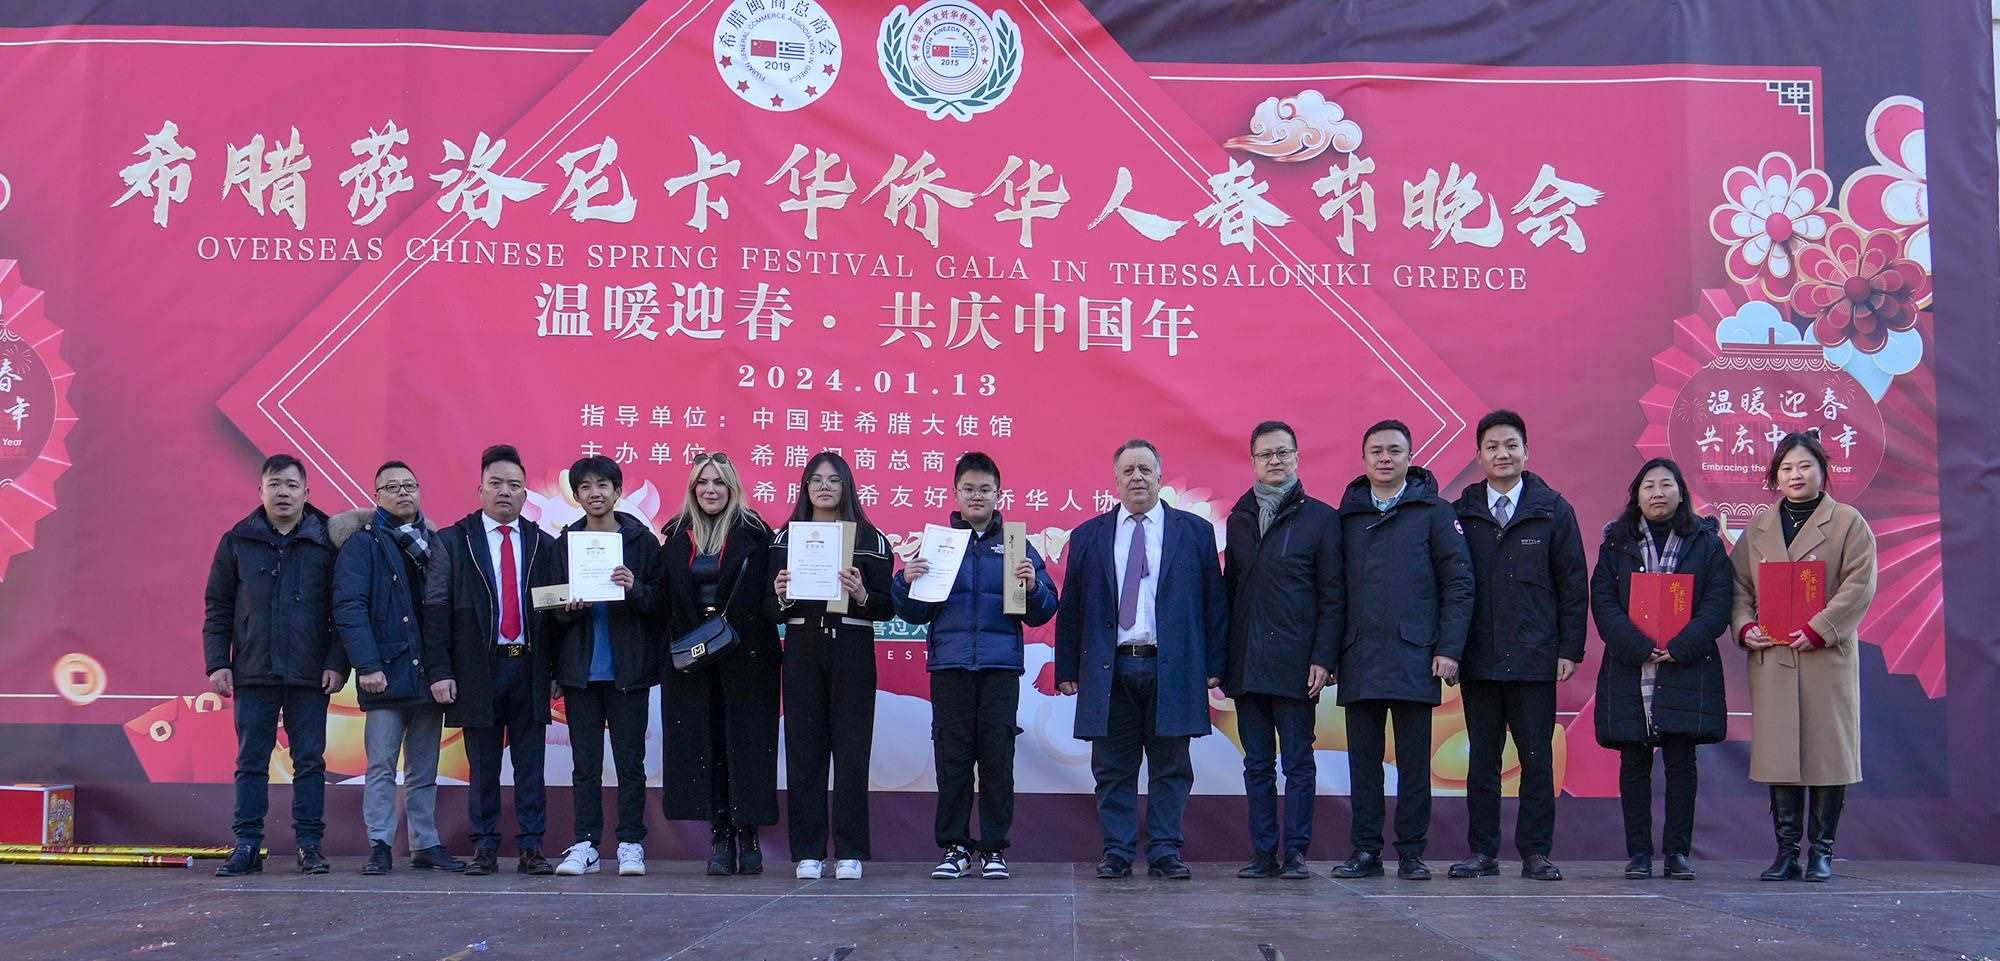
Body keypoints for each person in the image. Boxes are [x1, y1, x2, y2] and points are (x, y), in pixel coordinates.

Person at [1055, 439, 1227, 881]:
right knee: (1112, 767)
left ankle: (1166, 850)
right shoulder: (1089, 536)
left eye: (1145, 470)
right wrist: (1068, 667)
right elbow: (1072, 605)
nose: (1137, 477)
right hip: (1110, 668)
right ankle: (1117, 851)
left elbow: (1214, 602)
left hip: (1174, 667)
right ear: (1115, 479)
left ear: (1159, 477)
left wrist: (1215, 664)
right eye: (1128, 470)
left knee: (1171, 766)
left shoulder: (1194, 532)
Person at [893, 452, 1060, 881]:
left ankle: (994, 849)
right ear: (955, 493)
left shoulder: (1018, 545)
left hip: (999, 668)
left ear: (998, 494)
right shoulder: (938, 544)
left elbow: (1044, 610)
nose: (976, 496)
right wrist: (904, 581)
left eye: (985, 489)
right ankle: (955, 847)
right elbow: (914, 613)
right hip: (949, 667)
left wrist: (1034, 587)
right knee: (952, 760)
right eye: (968, 489)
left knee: (997, 761)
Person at [1447, 411, 1587, 882]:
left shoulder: (1553, 510)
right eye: (1492, 447)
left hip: (1535, 658)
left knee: (1536, 759)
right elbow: (1450, 586)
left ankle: (1536, 853)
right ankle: (1482, 851)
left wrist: (1569, 649)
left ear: (1527, 451)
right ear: (1479, 455)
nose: (1502, 454)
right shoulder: (1461, 513)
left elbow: (1573, 585)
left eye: (1511, 445)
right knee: (1482, 760)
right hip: (1480, 659)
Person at [1731, 431, 1877, 883]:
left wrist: (1820, 628)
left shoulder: (1848, 522)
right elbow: (1737, 588)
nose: (1796, 475)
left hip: (1825, 657)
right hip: (1774, 656)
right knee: (1781, 755)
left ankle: (1822, 852)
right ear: (1775, 476)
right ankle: (1786, 852)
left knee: (1828, 754)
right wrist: (1745, 626)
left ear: (1822, 470)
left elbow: (1859, 584)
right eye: (1787, 468)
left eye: (1805, 466)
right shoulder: (1758, 528)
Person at [1332, 420, 1473, 881]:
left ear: (1410, 458)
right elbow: (1332, 593)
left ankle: (1412, 853)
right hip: (1359, 656)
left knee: (1414, 765)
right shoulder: (1347, 515)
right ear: (1364, 459)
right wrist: (1329, 655)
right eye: (1376, 451)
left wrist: (1449, 648)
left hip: (1417, 656)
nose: (1385, 458)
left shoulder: (1435, 512)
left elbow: (1459, 584)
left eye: (1394, 450)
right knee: (1364, 765)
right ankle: (1365, 851)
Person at [202, 453, 347, 877]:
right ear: (260, 491)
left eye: (291, 485)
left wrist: (337, 662)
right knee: (251, 761)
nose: (283, 492)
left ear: (307, 492)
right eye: (274, 484)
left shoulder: (327, 542)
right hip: (252, 670)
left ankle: (310, 846)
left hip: (310, 673)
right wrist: (218, 662)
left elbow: (344, 609)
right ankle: (247, 845)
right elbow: (218, 607)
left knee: (310, 761)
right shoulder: (237, 540)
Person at [1589, 458, 1731, 881]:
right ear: (1636, 495)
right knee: (1633, 763)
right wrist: (1638, 646)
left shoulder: (1706, 543)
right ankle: (1639, 854)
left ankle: (1677, 853)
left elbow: (1718, 603)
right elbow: (1603, 602)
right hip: (1631, 667)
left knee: (1681, 764)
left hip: (1686, 665)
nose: (1657, 493)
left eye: (1666, 484)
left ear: (1681, 493)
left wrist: (1681, 646)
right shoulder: (1616, 543)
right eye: (1648, 485)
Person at [421, 444, 559, 876]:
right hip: (477, 670)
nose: (505, 492)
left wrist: (554, 671)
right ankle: (484, 847)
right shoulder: (453, 541)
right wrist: (440, 670)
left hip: (529, 668)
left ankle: (532, 847)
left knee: (530, 766)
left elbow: (553, 614)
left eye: (514, 485)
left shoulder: (543, 544)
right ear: (479, 490)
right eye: (496, 483)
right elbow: (436, 610)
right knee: (483, 765)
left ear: (524, 494)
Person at [331, 460, 465, 876]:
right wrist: (367, 665)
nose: (403, 492)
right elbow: (349, 608)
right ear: (376, 496)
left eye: (409, 485)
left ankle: (425, 843)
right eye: (392, 487)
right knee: (381, 766)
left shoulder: (435, 543)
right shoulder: (363, 543)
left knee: (424, 768)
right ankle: (380, 844)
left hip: (428, 674)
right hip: (384, 674)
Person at [1221, 421, 1340, 880]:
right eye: (1266, 454)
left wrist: (1324, 658)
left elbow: (1333, 596)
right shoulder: (1240, 517)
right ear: (1253, 461)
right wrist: (1221, 662)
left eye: (1283, 453)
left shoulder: (1321, 519)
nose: (1275, 461)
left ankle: (1296, 854)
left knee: (1298, 763)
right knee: (1257, 765)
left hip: (1297, 665)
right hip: (1247, 664)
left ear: (1297, 457)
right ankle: (1263, 853)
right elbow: (1230, 593)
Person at [767, 452, 895, 881]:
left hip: (852, 648)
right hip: (802, 647)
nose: (824, 487)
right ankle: (808, 851)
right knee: (804, 750)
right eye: (816, 480)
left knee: (852, 751)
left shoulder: (872, 540)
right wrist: (781, 595)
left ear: (847, 487)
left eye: (833, 480)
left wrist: (862, 594)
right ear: (805, 488)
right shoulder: (784, 539)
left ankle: (850, 851)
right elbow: (768, 609)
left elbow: (887, 606)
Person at [659, 453, 781, 876]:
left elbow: (769, 597)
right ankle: (720, 835)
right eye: (702, 482)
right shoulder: (675, 534)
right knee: (705, 747)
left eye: (718, 482)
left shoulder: (756, 532)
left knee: (748, 747)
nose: (710, 489)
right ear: (693, 488)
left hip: (747, 658)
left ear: (732, 488)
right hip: (694, 659)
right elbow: (663, 599)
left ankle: (749, 835)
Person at [544, 456, 665, 878]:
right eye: (585, 487)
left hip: (628, 671)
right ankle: (586, 844)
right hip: (580, 672)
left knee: (630, 763)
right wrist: (568, 607)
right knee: (585, 764)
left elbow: (660, 605)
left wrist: (634, 588)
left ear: (617, 491)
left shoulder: (642, 542)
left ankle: (630, 843)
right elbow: (550, 610)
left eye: (602, 485)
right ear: (576, 496)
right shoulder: (564, 544)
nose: (594, 493)